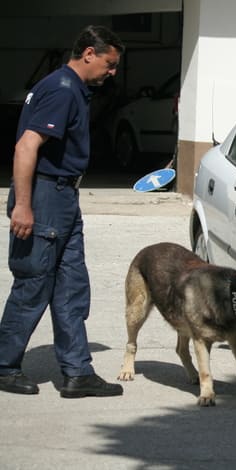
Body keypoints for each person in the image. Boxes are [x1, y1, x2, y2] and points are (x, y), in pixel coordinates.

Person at [0, 26, 125, 398]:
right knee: (34, 285)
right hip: (45, 198)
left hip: (64, 199)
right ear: (89, 53)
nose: (112, 72)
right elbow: (26, 148)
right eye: (110, 63)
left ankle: (76, 372)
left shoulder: (71, 89)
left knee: (71, 287)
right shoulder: (62, 89)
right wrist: (23, 205)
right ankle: (4, 366)